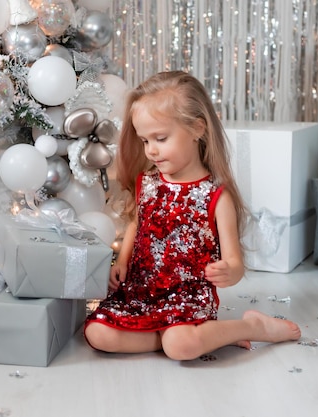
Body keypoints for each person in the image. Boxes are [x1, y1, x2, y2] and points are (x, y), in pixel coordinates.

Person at [84, 71, 301, 360]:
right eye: (145, 140)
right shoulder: (148, 183)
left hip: (187, 297)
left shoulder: (215, 197)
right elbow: (138, 223)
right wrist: (122, 261)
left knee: (180, 347)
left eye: (160, 138)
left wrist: (230, 271)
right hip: (141, 292)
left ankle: (250, 326)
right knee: (97, 334)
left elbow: (235, 262)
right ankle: (184, 336)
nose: (151, 151)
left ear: (197, 129)